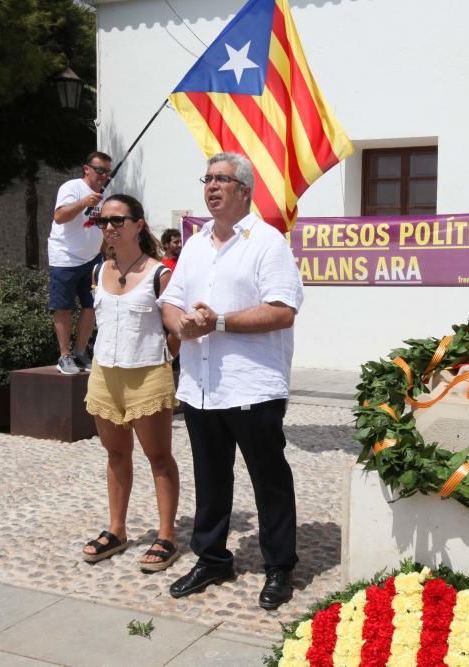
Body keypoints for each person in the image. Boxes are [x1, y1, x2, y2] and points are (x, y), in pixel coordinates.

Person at [158, 152, 303, 610]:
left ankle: (279, 565)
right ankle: (213, 557)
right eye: (208, 179)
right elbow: (170, 301)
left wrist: (217, 323)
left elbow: (281, 309)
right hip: (201, 385)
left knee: (268, 478)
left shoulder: (267, 242)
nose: (212, 186)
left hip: (251, 386)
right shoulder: (197, 243)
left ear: (245, 191)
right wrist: (182, 324)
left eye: (223, 180)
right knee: (211, 477)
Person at [81, 193, 181, 573]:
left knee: (158, 457)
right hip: (105, 374)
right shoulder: (97, 271)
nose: (109, 227)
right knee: (115, 454)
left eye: (117, 220)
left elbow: (174, 329)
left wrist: (166, 360)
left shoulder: (160, 274)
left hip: (147, 375)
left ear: (138, 224)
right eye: (103, 221)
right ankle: (117, 529)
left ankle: (167, 533)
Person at [48, 151, 112, 375]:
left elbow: (99, 229)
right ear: (87, 169)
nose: (104, 176)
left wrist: (109, 254)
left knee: (92, 305)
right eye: (100, 170)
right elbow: (60, 216)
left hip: (92, 258)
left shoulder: (104, 196)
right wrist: (84, 202)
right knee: (63, 307)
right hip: (65, 257)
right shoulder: (72, 188)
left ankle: (80, 352)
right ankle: (64, 355)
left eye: (108, 172)